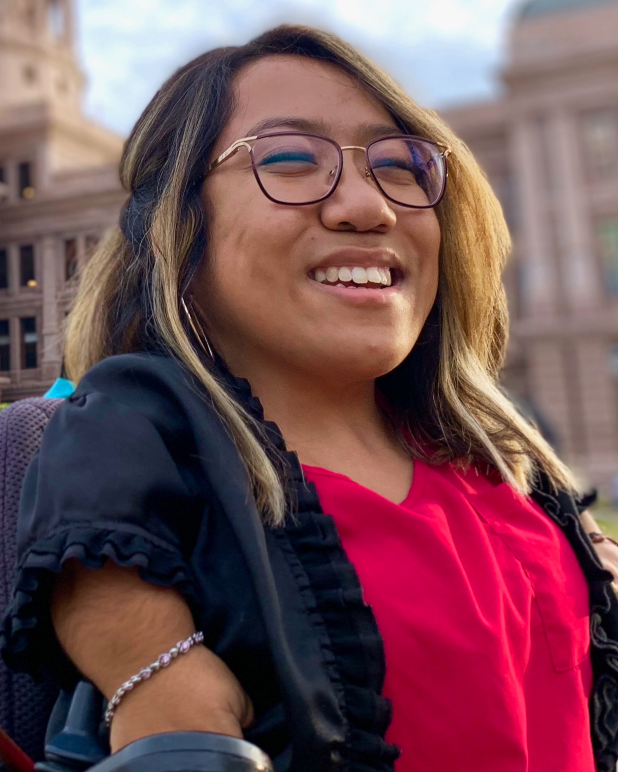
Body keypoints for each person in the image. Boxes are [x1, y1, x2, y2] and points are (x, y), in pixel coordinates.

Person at [2, 24, 618, 772]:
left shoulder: (497, 452)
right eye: (290, 159)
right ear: (175, 231)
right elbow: (89, 530)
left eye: (402, 166)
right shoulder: (146, 425)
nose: (369, 207)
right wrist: (159, 676)